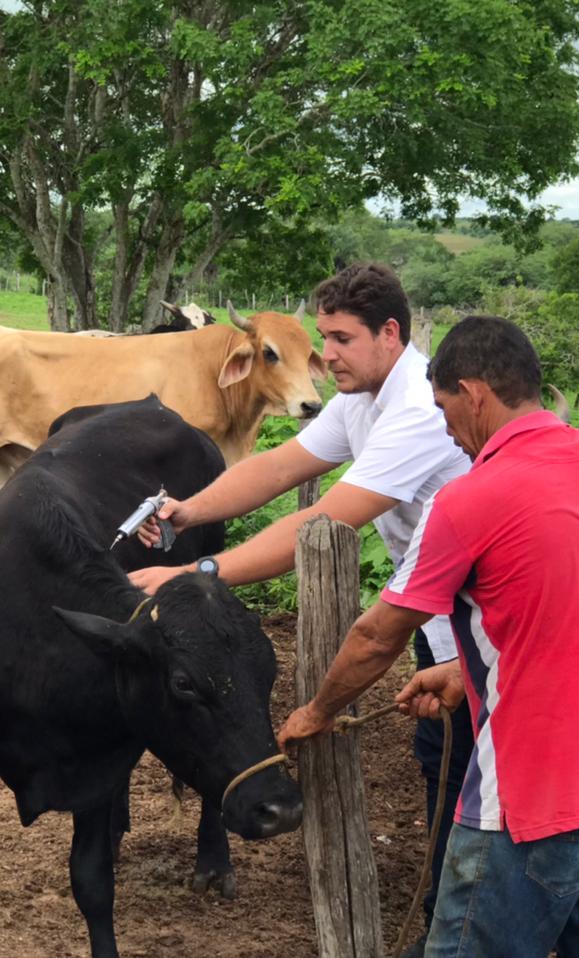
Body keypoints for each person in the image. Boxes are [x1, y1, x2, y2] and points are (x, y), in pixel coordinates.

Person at [277, 315, 579, 957]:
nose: (444, 427)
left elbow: (378, 637)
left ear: (474, 393)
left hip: (535, 786)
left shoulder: (471, 498)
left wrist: (317, 711)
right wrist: (468, 675)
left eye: (443, 407)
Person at [129, 263, 474, 951]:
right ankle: (449, 917)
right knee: (445, 766)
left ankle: (458, 930)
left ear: (390, 333)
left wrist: (195, 571)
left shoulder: (417, 412)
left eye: (341, 339)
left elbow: (327, 523)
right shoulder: (365, 397)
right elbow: (284, 465)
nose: (328, 357)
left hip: (481, 621)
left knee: (468, 776)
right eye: (324, 337)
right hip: (441, 615)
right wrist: (186, 508)